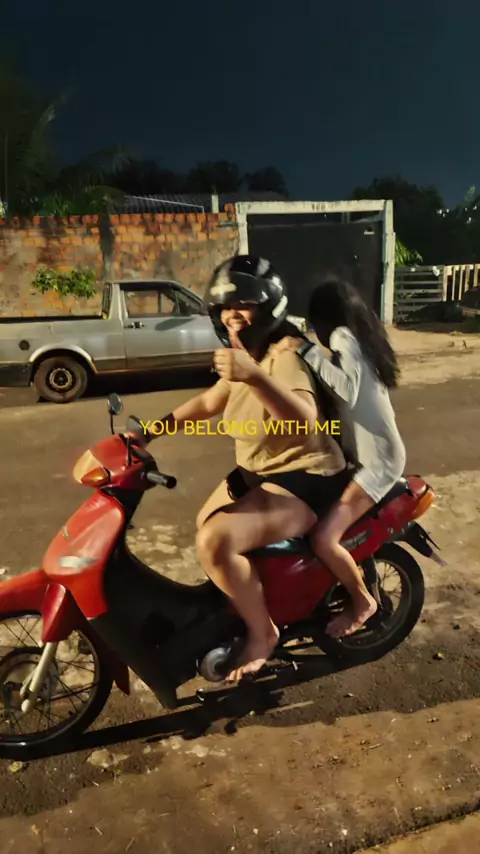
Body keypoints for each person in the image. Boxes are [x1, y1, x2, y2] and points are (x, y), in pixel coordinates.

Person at [139, 255, 352, 682]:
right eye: (225, 307)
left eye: (244, 305)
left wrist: (254, 376)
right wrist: (147, 432)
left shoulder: (284, 356)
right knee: (205, 525)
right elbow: (208, 402)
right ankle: (250, 598)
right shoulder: (248, 353)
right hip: (261, 471)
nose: (232, 315)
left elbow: (305, 419)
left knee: (216, 542)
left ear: (268, 307)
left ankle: (263, 634)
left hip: (304, 477)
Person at [273, 276, 407, 639]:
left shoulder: (344, 338)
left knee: (324, 539)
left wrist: (304, 349)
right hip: (370, 457)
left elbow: (346, 389)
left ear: (324, 317)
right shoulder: (358, 339)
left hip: (378, 463)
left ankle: (363, 601)